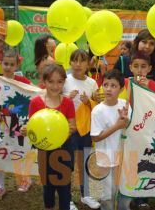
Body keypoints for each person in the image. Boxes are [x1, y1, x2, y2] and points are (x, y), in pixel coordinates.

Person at [22, 64, 76, 210]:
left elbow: (73, 126)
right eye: (51, 81)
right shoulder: (36, 102)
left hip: (64, 151)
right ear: (44, 82)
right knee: (48, 186)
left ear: (64, 82)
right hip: (44, 151)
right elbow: (33, 126)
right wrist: (26, 130)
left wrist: (67, 130)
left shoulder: (68, 103)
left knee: (64, 187)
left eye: (59, 81)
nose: (55, 85)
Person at [62, 49, 100, 209]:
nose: (78, 64)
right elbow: (55, 100)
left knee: (84, 161)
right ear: (70, 62)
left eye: (82, 60)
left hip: (85, 128)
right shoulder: (64, 80)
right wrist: (66, 98)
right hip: (68, 128)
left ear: (88, 63)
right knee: (67, 163)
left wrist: (88, 102)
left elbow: (98, 107)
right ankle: (67, 198)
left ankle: (85, 195)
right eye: (75, 60)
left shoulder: (92, 83)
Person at [90, 69, 131, 210]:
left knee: (124, 190)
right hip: (105, 158)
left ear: (121, 89)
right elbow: (95, 136)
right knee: (107, 194)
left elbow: (129, 127)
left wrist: (126, 122)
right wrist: (117, 125)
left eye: (113, 86)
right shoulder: (97, 111)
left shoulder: (125, 105)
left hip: (124, 156)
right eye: (106, 84)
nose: (108, 89)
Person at [0, 49, 32, 197]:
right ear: (0, 63)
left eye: (12, 64)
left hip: (18, 123)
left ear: (17, 65)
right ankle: (1, 185)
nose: (8, 67)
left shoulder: (23, 81)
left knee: (21, 151)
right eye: (6, 64)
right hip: (0, 124)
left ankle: (26, 179)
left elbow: (33, 95)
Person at [127, 52, 155, 209]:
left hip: (147, 130)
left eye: (143, 66)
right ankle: (130, 192)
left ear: (149, 68)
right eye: (136, 66)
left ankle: (143, 198)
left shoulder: (154, 85)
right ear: (130, 68)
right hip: (129, 130)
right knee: (131, 161)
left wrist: (149, 90)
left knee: (145, 162)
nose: (139, 70)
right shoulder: (126, 83)